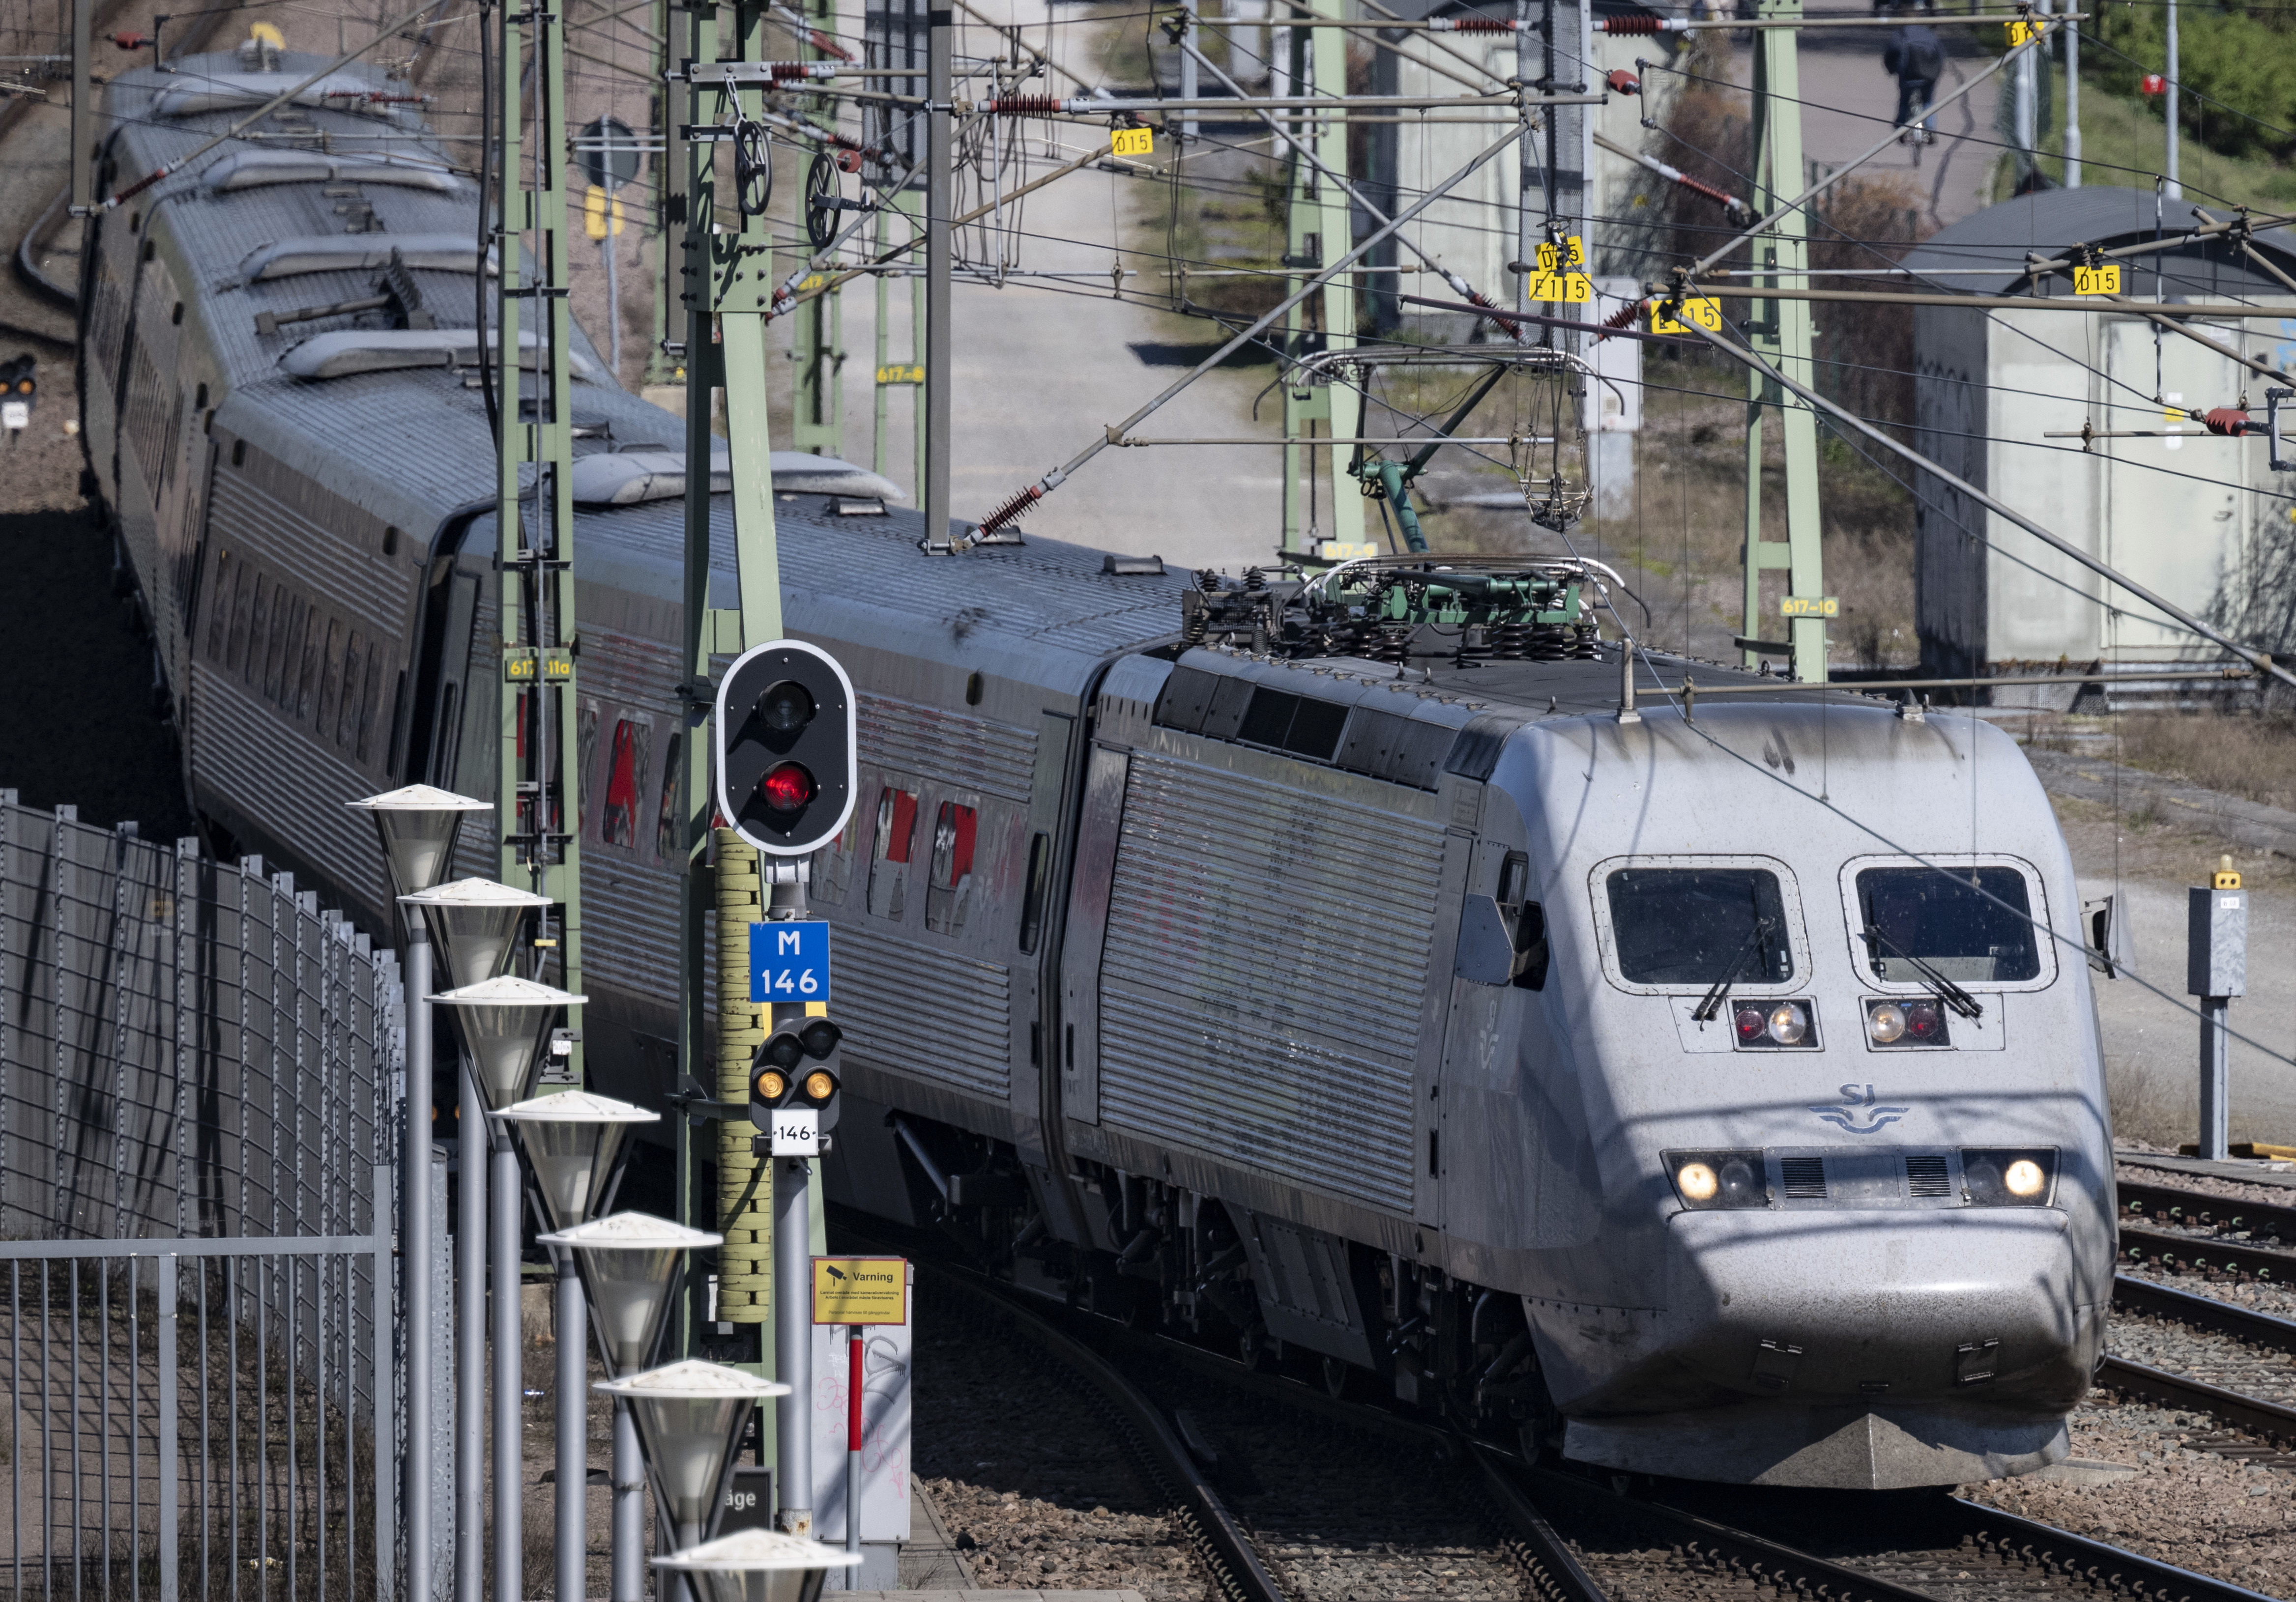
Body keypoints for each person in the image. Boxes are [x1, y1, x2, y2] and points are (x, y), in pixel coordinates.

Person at [1884, 21, 1945, 143]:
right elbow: (1941, 55)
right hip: (1928, 76)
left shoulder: (1900, 35)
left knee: (1905, 100)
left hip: (1908, 76)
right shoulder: (1930, 35)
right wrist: (1937, 73)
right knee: (1928, 101)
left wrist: (1892, 70)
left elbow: (1890, 55)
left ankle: (1901, 128)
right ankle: (1931, 129)